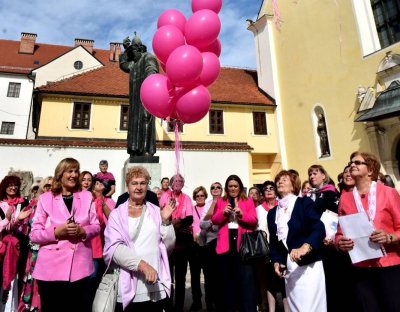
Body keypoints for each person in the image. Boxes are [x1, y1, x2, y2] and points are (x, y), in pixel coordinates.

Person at [29, 158, 100, 312]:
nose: (74, 175)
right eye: (70, 171)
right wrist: (55, 232)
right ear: (60, 174)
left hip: (80, 269)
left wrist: (83, 232)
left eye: (76, 171)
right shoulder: (45, 199)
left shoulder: (87, 197)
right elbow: (34, 234)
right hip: (50, 269)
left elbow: (96, 227)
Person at [103, 166, 176, 312]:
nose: (139, 187)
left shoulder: (156, 211)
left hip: (155, 284)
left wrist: (166, 222)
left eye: (142, 183)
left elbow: (168, 246)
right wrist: (143, 266)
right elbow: (114, 249)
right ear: (127, 186)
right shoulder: (117, 214)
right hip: (129, 285)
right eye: (134, 183)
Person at [336, 152, 400, 311]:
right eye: (351, 162)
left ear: (370, 170)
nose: (352, 165)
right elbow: (339, 233)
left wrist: (389, 237)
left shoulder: (388, 192)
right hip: (361, 267)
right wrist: (340, 243)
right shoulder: (345, 198)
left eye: (357, 162)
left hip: (389, 264)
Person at [267, 170, 326, 312]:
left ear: (293, 185)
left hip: (309, 265)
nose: (279, 182)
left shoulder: (304, 203)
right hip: (290, 269)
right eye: (278, 180)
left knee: (311, 308)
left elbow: (318, 228)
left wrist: (306, 246)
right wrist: (276, 261)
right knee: (296, 308)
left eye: (284, 179)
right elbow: (274, 243)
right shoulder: (272, 213)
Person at [211, 174, 258, 312]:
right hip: (225, 244)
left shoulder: (248, 200)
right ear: (227, 187)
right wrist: (223, 213)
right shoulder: (221, 201)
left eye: (235, 186)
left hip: (243, 244)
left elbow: (253, 220)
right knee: (227, 282)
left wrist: (241, 214)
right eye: (230, 186)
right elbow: (214, 220)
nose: (233, 189)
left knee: (246, 282)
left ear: (240, 187)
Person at [119, 33, 159, 158]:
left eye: (134, 50)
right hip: (135, 100)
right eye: (131, 51)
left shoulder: (147, 57)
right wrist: (126, 50)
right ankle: (134, 150)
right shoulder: (133, 64)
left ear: (141, 49)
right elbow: (123, 64)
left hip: (146, 97)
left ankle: (147, 150)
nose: (132, 53)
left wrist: (150, 80)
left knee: (146, 120)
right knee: (134, 124)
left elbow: (152, 70)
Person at [18, 175, 53, 312]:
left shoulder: (58, 203)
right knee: (31, 282)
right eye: (46, 186)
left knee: (45, 285)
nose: (49, 188)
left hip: (49, 251)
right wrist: (19, 220)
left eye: (52, 185)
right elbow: (22, 230)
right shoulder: (33, 204)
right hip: (33, 253)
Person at [159, 174, 194, 312]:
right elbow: (160, 214)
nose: (178, 183)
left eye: (180, 181)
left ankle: (179, 307)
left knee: (180, 278)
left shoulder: (187, 198)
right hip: (168, 243)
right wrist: (170, 223)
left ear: (183, 184)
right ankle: (167, 306)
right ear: (171, 184)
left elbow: (190, 218)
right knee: (167, 277)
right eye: (175, 181)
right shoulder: (165, 196)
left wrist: (178, 223)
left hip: (183, 243)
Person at [255, 181, 288, 312]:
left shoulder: (282, 206)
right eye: (265, 189)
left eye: (271, 188)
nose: (268, 190)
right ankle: (269, 308)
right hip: (265, 249)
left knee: (284, 280)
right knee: (268, 281)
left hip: (281, 249)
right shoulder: (258, 209)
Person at [0, 176, 31, 312]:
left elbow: (25, 227)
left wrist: (18, 221)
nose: (13, 188)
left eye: (15, 185)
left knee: (17, 278)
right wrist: (8, 219)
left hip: (20, 247)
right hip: (3, 248)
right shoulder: (0, 204)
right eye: (9, 185)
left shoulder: (24, 203)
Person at [87, 177, 115, 306]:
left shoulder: (109, 201)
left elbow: (113, 219)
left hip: (104, 243)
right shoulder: (89, 200)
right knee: (91, 278)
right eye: (96, 183)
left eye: (100, 183)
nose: (99, 184)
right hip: (92, 243)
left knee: (97, 278)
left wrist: (102, 202)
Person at [200, 182, 223, 311]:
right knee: (209, 277)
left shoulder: (226, 202)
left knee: (221, 277)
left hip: (222, 243)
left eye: (218, 187)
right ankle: (210, 305)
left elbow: (223, 223)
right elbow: (202, 224)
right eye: (213, 187)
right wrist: (213, 224)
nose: (215, 189)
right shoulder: (208, 204)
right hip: (210, 244)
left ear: (222, 190)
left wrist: (211, 224)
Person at [188, 186, 208, 311]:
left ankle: (209, 301)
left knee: (208, 275)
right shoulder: (192, 208)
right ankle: (197, 302)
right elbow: (191, 224)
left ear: (205, 196)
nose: (200, 197)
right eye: (197, 196)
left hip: (207, 245)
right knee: (195, 276)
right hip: (194, 245)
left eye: (202, 195)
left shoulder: (209, 207)